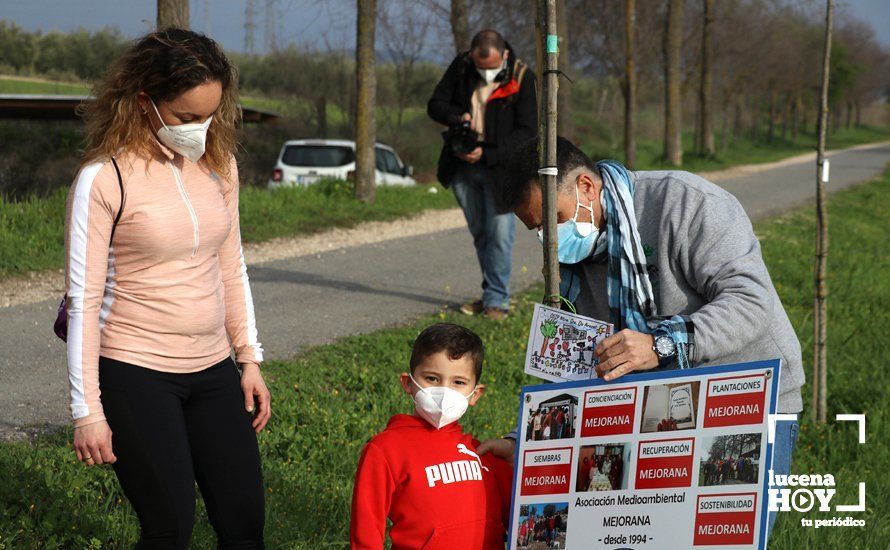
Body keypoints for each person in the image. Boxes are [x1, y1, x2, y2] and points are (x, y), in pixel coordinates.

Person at [480, 136, 805, 537]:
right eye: (537, 230)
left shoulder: (683, 202)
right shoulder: (565, 261)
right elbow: (574, 362)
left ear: (586, 186)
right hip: (648, 414)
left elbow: (751, 301)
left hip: (744, 395)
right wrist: (526, 442)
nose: (551, 240)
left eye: (556, 221)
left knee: (724, 535)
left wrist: (660, 344)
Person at [64, 28, 269, 547]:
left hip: (213, 367)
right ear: (143, 103)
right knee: (170, 529)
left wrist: (249, 357)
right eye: (186, 118)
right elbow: (84, 304)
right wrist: (87, 411)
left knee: (244, 522)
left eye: (210, 116)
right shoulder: (104, 177)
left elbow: (231, 263)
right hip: (135, 372)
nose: (200, 130)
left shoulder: (220, 166)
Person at [349, 323, 513, 549]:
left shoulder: (482, 454)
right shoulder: (385, 450)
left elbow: (521, 517)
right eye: (432, 379)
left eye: (459, 382)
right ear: (408, 383)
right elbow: (366, 530)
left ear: (475, 395)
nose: (445, 391)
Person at [427, 29, 537, 320]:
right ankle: (491, 294)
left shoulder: (523, 78)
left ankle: (497, 302)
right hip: (462, 165)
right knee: (481, 234)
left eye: (491, 68)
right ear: (472, 57)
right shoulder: (462, 66)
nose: (485, 73)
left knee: (500, 234)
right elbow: (434, 105)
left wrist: (487, 154)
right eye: (480, 68)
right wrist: (456, 117)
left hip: (501, 169)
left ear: (504, 56)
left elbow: (528, 133)